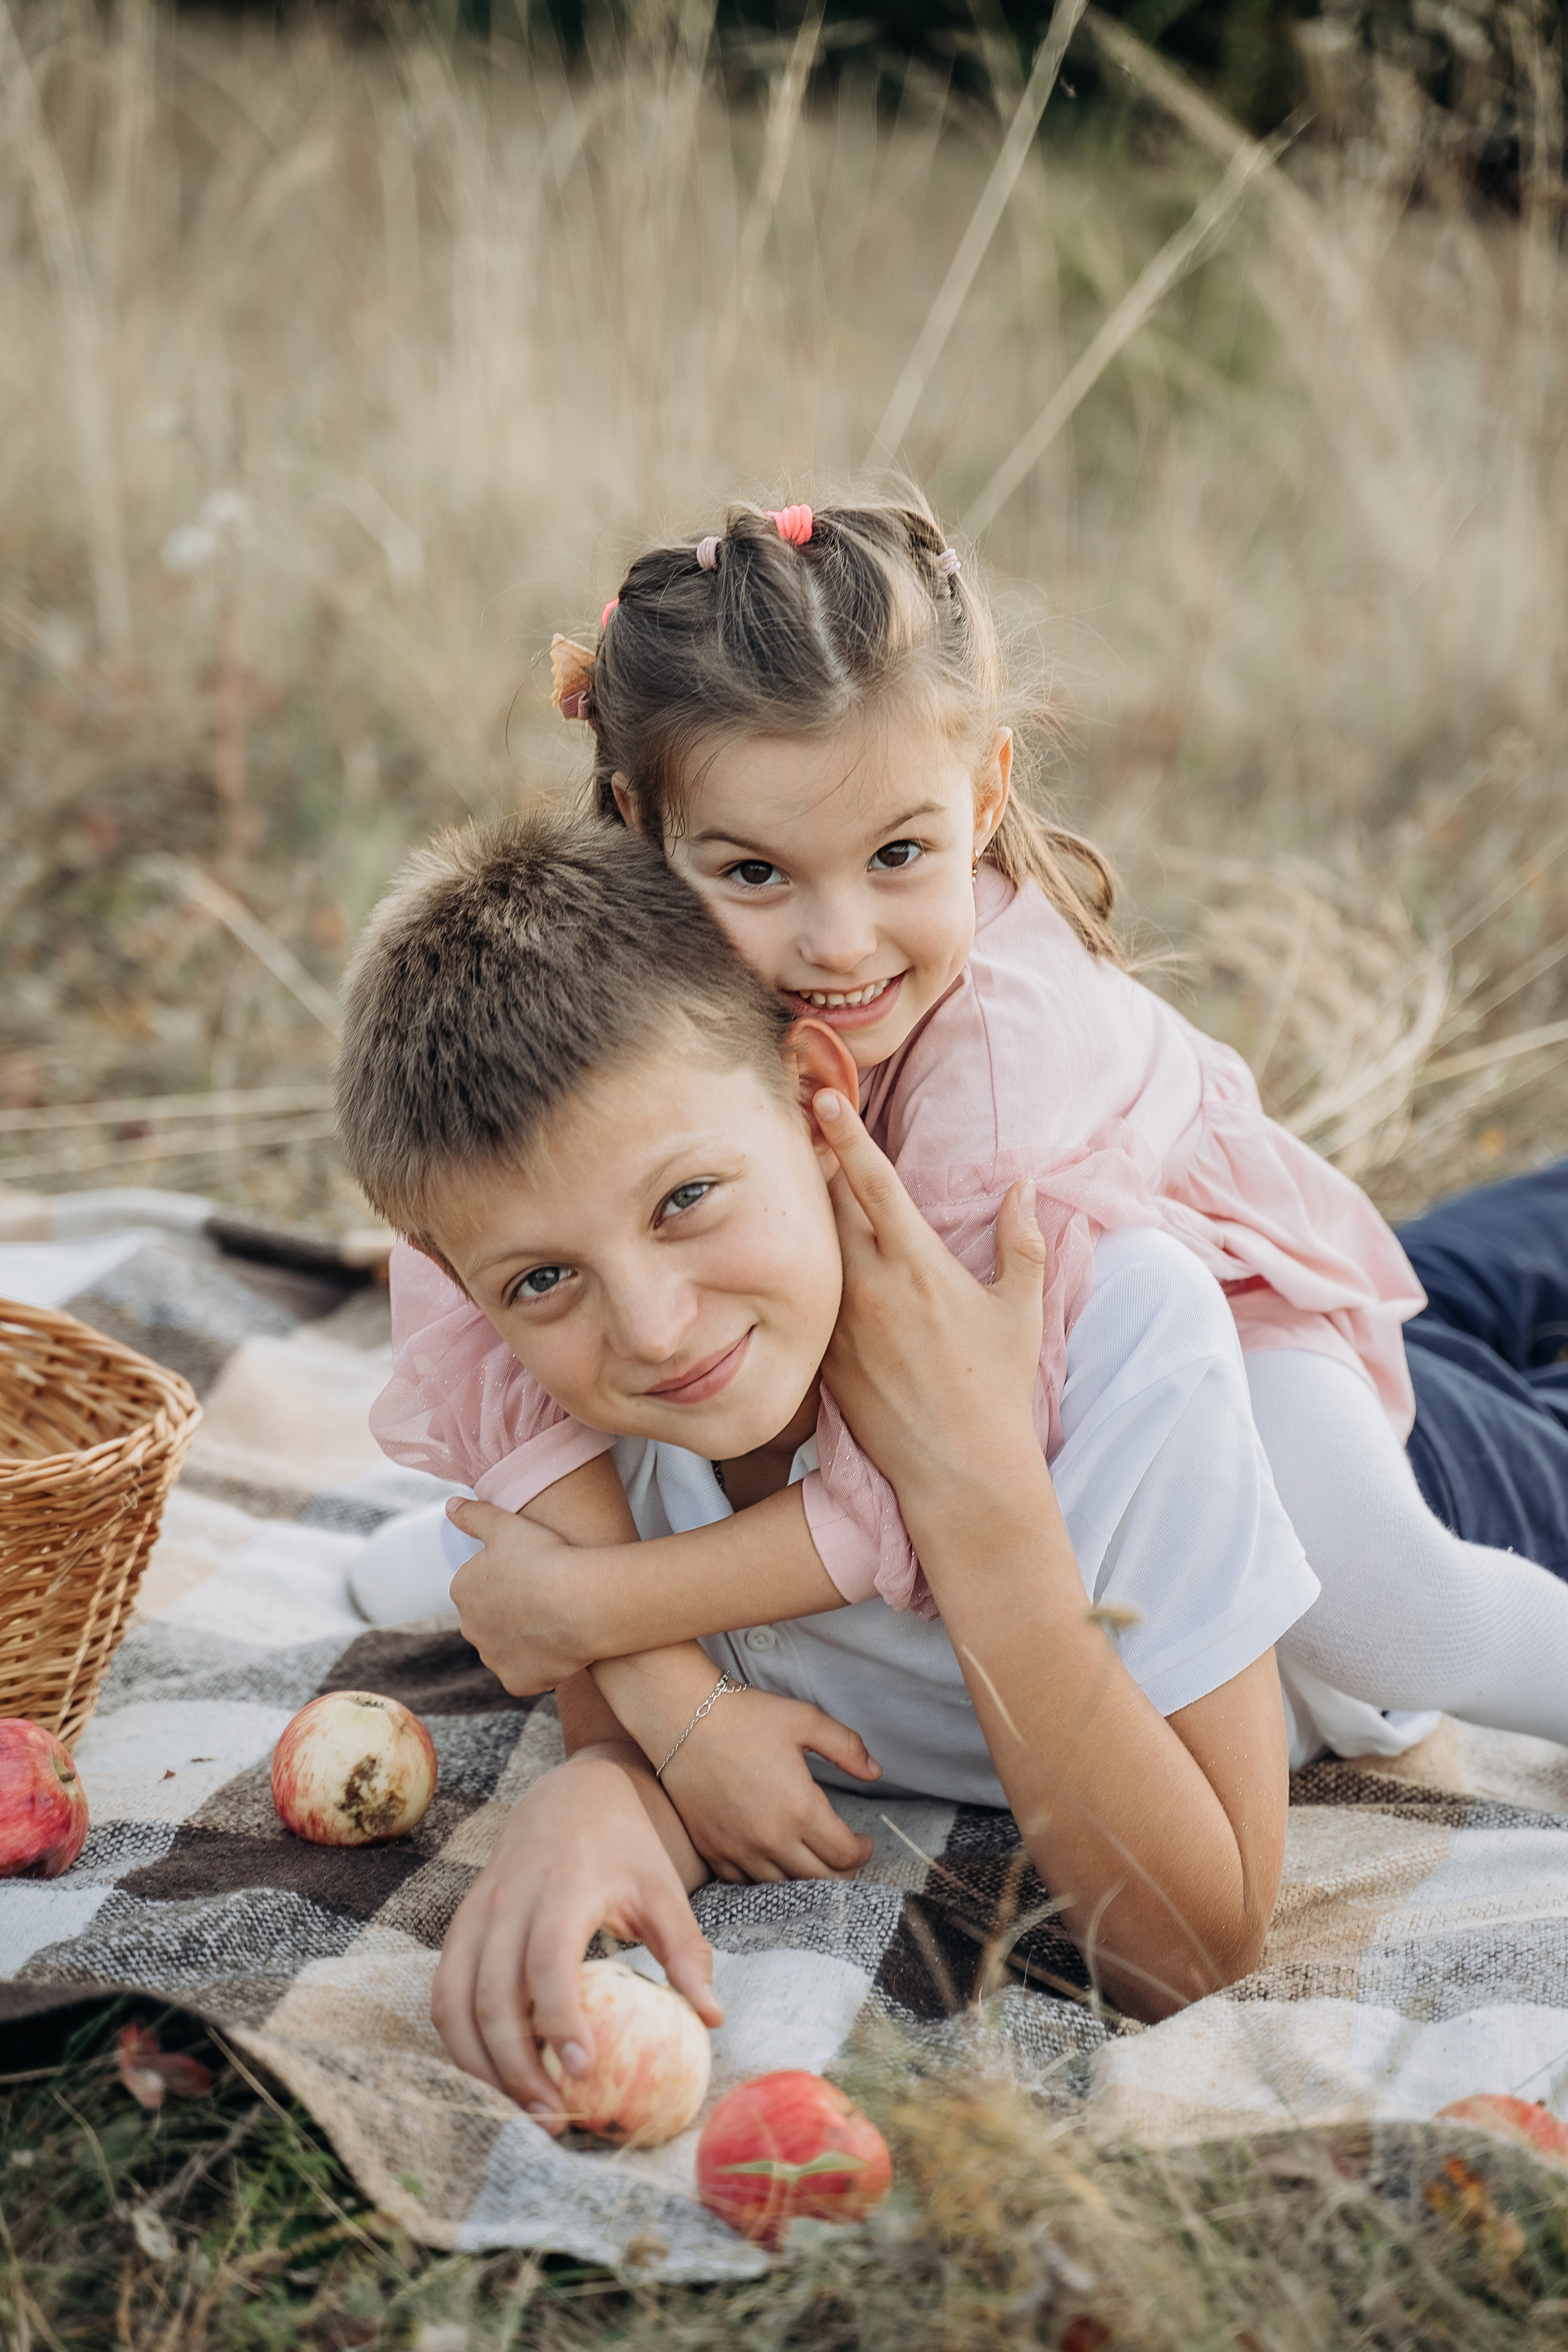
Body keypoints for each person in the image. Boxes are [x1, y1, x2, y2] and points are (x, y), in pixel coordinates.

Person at [365, 489, 1568, 1775]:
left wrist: (601, 1605)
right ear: (638, 823)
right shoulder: (609, 967)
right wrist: (570, 1563)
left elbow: (927, 1466)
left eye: (897, 854)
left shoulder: (991, 1076)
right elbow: (461, 1251)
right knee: (449, 1541)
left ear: (985, 793)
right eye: (755, 873)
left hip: (1217, 1305)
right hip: (1103, 1268)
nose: (840, 945)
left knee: (1393, 1619)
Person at [334, 808, 1321, 2101]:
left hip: (1334, 1436)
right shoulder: (565, 1412)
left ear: (815, 1100)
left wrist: (976, 1499)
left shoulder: (1116, 1330)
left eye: (687, 1200)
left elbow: (1195, 1952)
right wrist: (589, 1808)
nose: (654, 1329)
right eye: (540, 1280)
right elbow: (648, 1750)